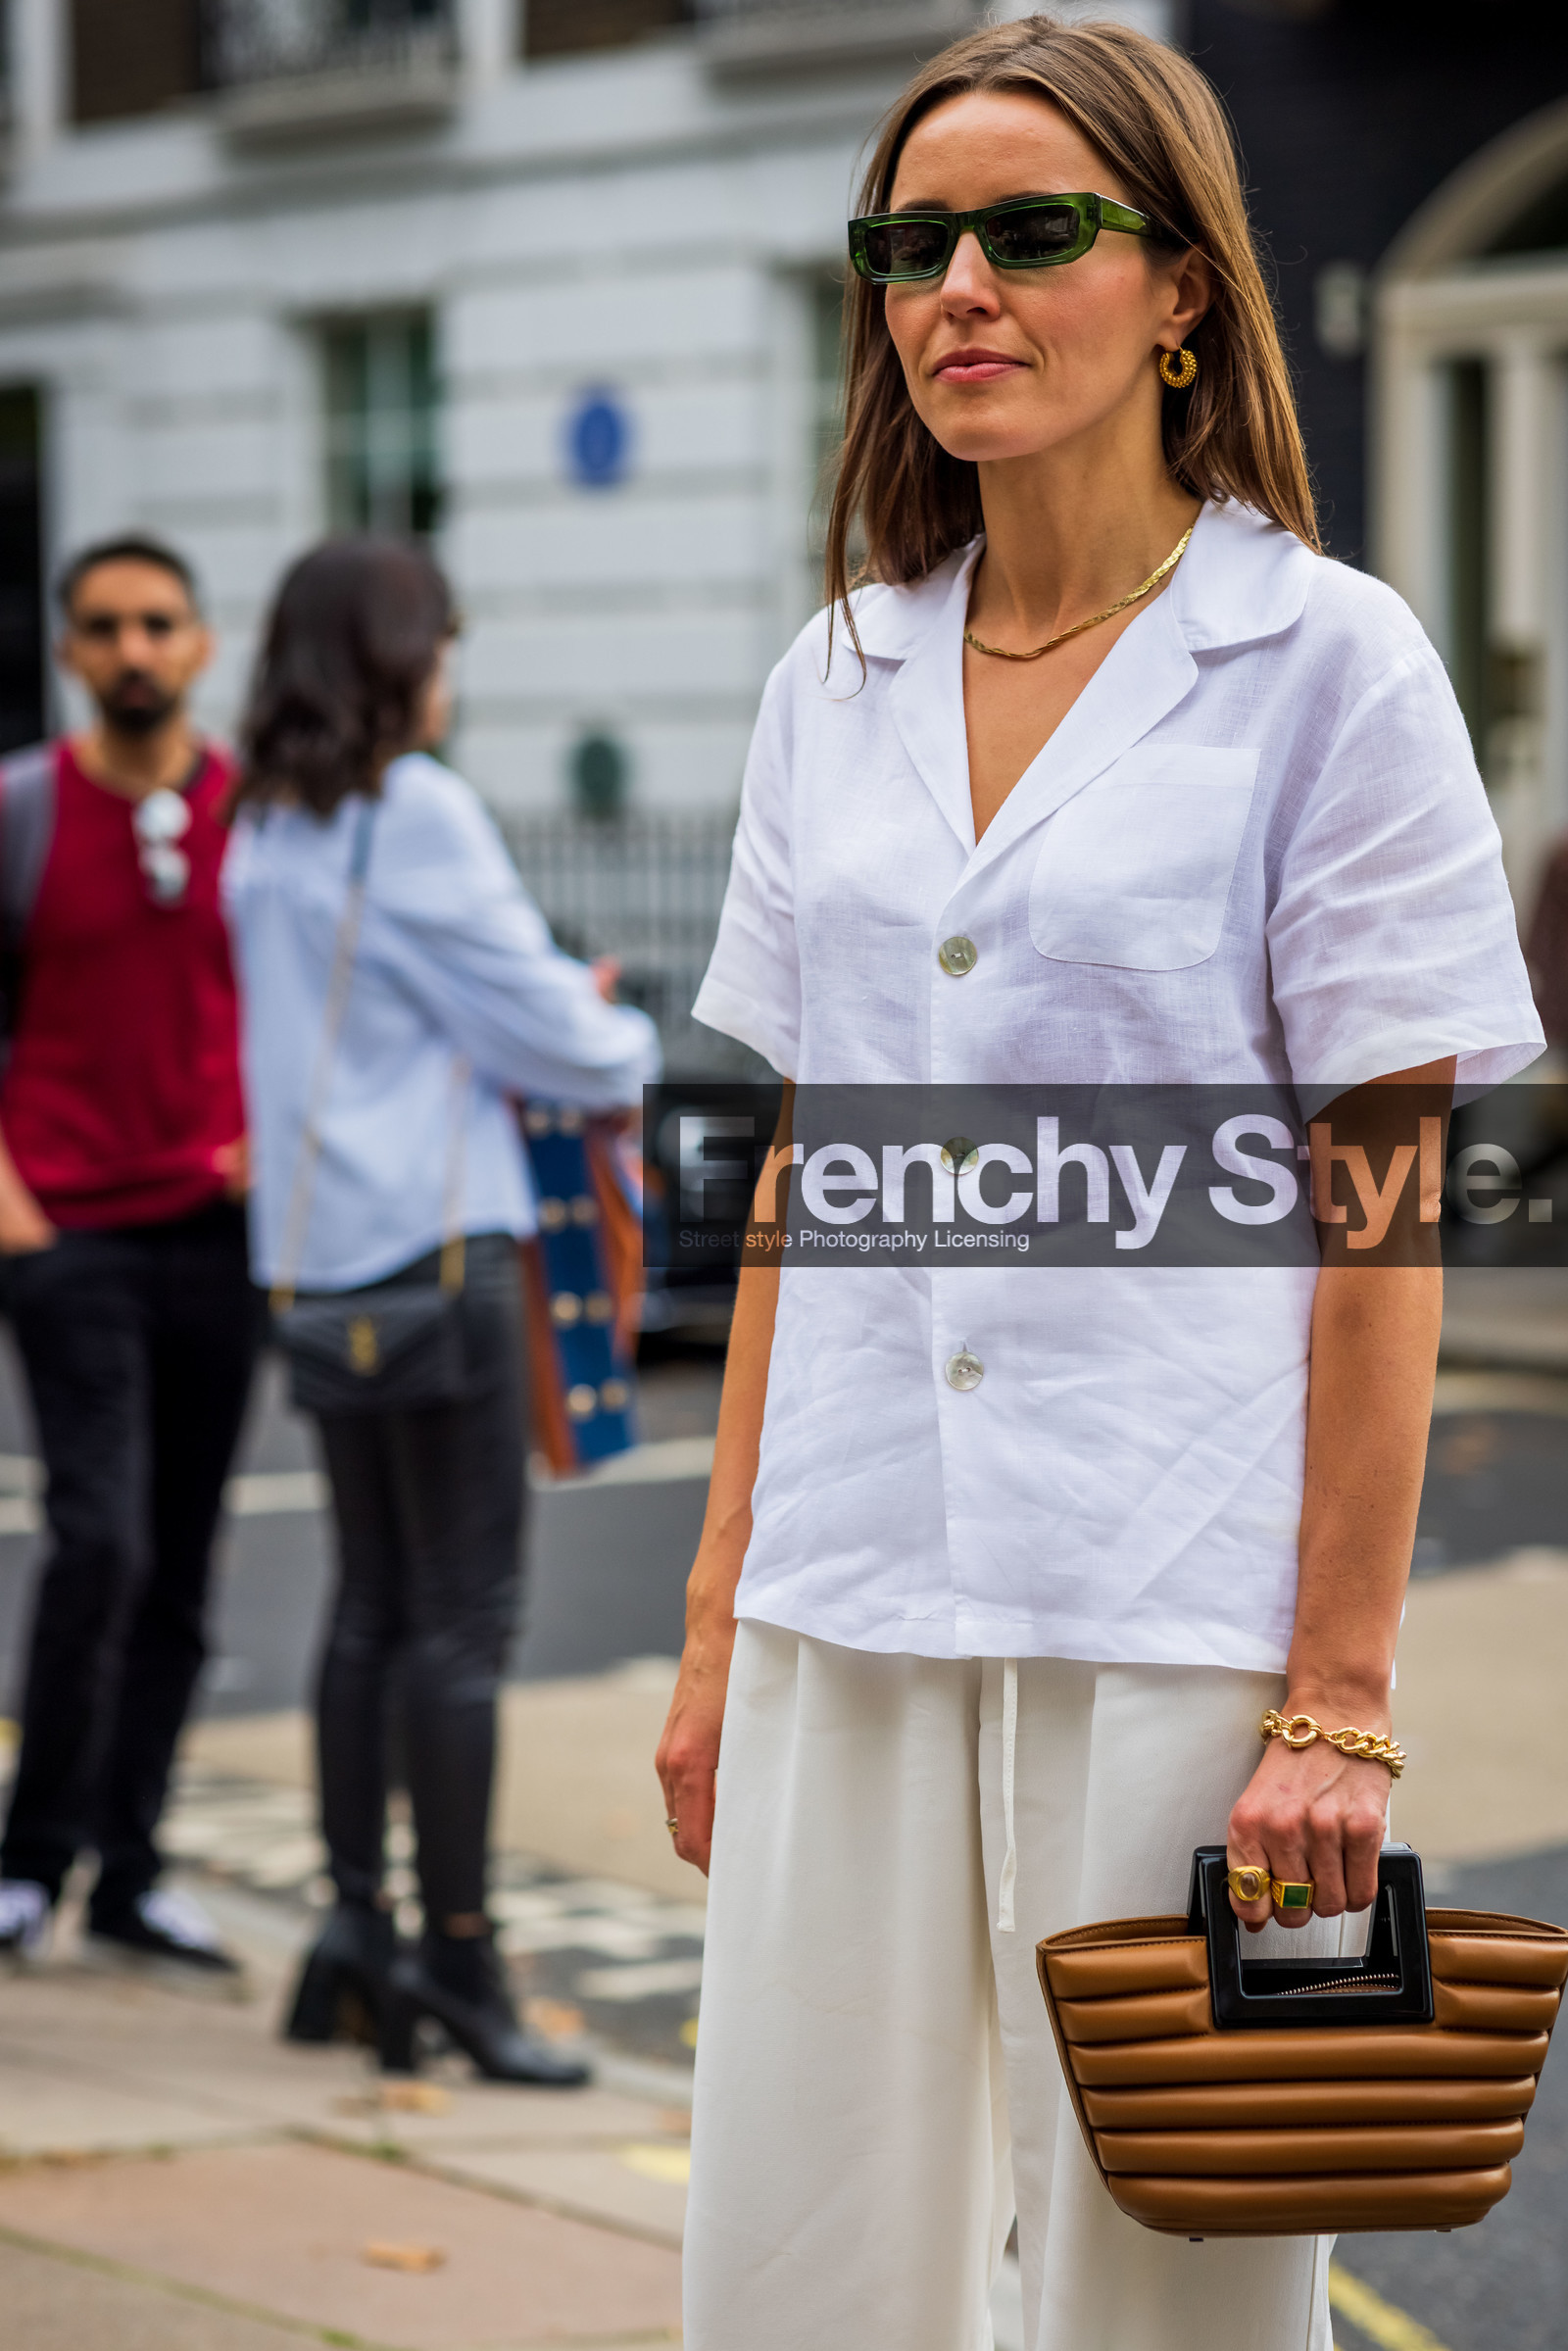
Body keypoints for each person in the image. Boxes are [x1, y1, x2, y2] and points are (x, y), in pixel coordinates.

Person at [656, 18, 1544, 2351]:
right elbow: (806, 1175)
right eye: (909, 242)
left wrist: (1332, 1701)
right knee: (797, 2267)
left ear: (1177, 293)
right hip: (846, 1591)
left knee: (1177, 2277)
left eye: (1029, 231)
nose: (956, 285)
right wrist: (714, 1612)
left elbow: (1378, 1224)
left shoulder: (1327, 668)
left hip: (1173, 1607)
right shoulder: (830, 680)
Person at [224, 538, 659, 2083]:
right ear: (397, 660)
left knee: (371, 1606)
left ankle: (357, 1934)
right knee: (463, 1624)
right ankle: (462, 1967)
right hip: (443, 1258)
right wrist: (615, 1029)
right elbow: (566, 1045)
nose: (451, 682)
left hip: (319, 1267)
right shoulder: (413, 813)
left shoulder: (262, 824)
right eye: (443, 650)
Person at [0, 535, 259, 1974]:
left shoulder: (257, 815)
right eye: (105, 627)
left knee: (180, 1563)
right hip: (68, 1234)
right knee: (100, 1539)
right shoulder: (24, 811)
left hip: (218, 1236)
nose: (134, 649)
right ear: (71, 653)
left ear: (200, 644)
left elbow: (313, 999)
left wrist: (276, 1138)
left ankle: (131, 1873)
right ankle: (31, 1860)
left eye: (158, 623)